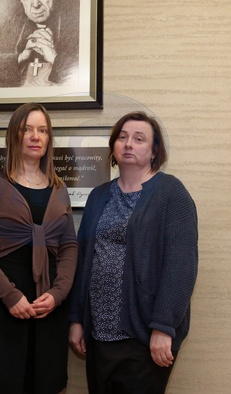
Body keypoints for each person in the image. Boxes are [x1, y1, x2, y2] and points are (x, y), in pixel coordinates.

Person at [0, 103, 78, 394]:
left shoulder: (59, 189)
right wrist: (9, 295)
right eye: (27, 129)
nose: (35, 136)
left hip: (46, 305)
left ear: (49, 139)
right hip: (0, 302)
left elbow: (69, 245)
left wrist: (58, 294)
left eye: (42, 130)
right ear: (14, 135)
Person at [68, 111, 198, 394]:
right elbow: (83, 260)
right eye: (123, 137)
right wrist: (77, 319)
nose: (128, 144)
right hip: (99, 333)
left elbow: (181, 266)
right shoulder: (98, 195)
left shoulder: (171, 193)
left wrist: (163, 326)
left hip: (145, 334)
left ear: (154, 151)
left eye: (139, 139)